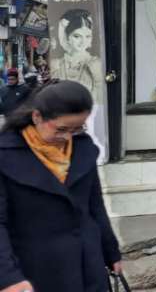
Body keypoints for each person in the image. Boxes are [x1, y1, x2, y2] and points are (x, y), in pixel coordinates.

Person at [0, 80, 122, 292]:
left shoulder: (83, 148)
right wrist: (7, 277)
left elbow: (95, 206)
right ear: (37, 117)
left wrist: (111, 252)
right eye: (61, 129)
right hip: (36, 268)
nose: (67, 137)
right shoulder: (5, 155)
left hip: (88, 263)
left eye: (77, 129)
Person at [50, 9, 104, 107]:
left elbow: (101, 101)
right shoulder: (56, 65)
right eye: (77, 36)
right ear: (67, 37)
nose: (83, 41)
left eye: (87, 36)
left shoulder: (96, 64)